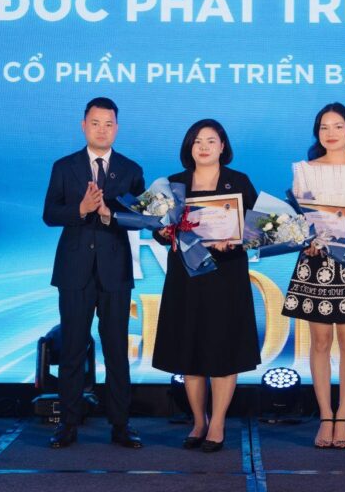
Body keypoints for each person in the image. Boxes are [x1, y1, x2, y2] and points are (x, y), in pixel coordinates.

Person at [42, 97, 146, 449]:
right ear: (84, 125)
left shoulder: (130, 170)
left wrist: (108, 215)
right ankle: (68, 424)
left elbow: (141, 219)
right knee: (73, 348)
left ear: (117, 128)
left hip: (115, 270)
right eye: (95, 123)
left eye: (109, 124)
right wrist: (81, 209)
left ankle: (121, 424)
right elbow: (49, 214)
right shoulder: (64, 166)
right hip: (74, 270)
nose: (102, 130)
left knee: (117, 349)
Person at [152, 119, 261, 453]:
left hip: (226, 275)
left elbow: (257, 228)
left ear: (222, 146)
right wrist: (163, 232)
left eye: (211, 141)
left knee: (224, 349)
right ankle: (199, 421)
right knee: (190, 347)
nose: (203, 147)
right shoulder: (173, 183)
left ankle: (218, 423)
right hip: (186, 276)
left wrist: (237, 240)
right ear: (189, 146)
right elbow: (157, 228)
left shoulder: (238, 181)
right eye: (197, 141)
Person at [282, 102, 345, 450]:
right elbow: (299, 217)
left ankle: (343, 418)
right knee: (320, 342)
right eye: (324, 127)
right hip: (316, 259)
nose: (331, 133)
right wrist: (307, 240)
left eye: (338, 126)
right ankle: (325, 416)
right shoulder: (304, 170)